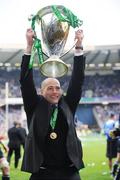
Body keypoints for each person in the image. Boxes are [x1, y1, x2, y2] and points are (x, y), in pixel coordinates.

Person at [20, 28, 85, 180]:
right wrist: (29, 47)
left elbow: (78, 81)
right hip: (42, 172)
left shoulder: (68, 104)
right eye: (50, 88)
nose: (55, 91)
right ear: (42, 92)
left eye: (57, 88)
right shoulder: (34, 106)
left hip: (69, 172)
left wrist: (79, 46)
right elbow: (25, 81)